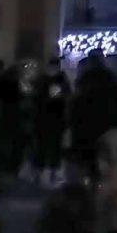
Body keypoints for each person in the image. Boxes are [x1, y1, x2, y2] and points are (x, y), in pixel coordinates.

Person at [29, 55, 70, 183]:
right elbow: (62, 98)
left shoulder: (44, 80)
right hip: (54, 118)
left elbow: (37, 97)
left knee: (44, 146)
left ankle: (40, 172)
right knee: (52, 146)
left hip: (44, 118)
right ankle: (49, 172)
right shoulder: (60, 80)